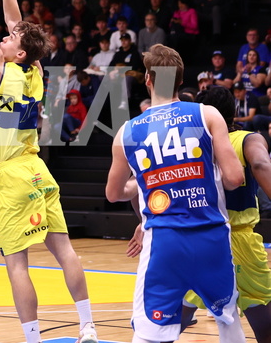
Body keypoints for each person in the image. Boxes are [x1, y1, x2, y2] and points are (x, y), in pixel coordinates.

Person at [0, 0, 97, 343]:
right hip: (38, 171)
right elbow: (15, 22)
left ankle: (33, 338)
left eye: (11, 41)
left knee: (17, 265)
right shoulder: (36, 72)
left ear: (17, 53)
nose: (5, 39)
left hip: (8, 176)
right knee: (65, 252)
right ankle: (88, 326)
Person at [105, 44, 246, 343]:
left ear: (148, 79)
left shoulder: (128, 131)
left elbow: (115, 192)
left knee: (149, 334)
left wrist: (145, 181)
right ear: (181, 81)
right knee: (228, 320)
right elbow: (235, 178)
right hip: (213, 239)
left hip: (165, 242)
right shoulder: (207, 114)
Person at [174, 87, 270, 343]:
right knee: (263, 322)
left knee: (175, 320)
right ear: (235, 111)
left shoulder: (190, 145)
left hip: (200, 239)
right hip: (240, 241)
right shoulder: (247, 139)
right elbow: (261, 164)